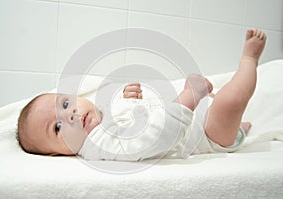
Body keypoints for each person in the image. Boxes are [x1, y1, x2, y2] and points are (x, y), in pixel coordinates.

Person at [17, 29, 266, 160]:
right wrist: (189, 96)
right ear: (55, 154)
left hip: (196, 120)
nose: (70, 114)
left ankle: (241, 129)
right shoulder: (98, 146)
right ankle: (249, 59)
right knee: (231, 101)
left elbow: (131, 120)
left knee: (228, 114)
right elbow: (152, 137)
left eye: (65, 103)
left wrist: (125, 99)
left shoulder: (100, 116)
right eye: (57, 128)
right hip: (208, 135)